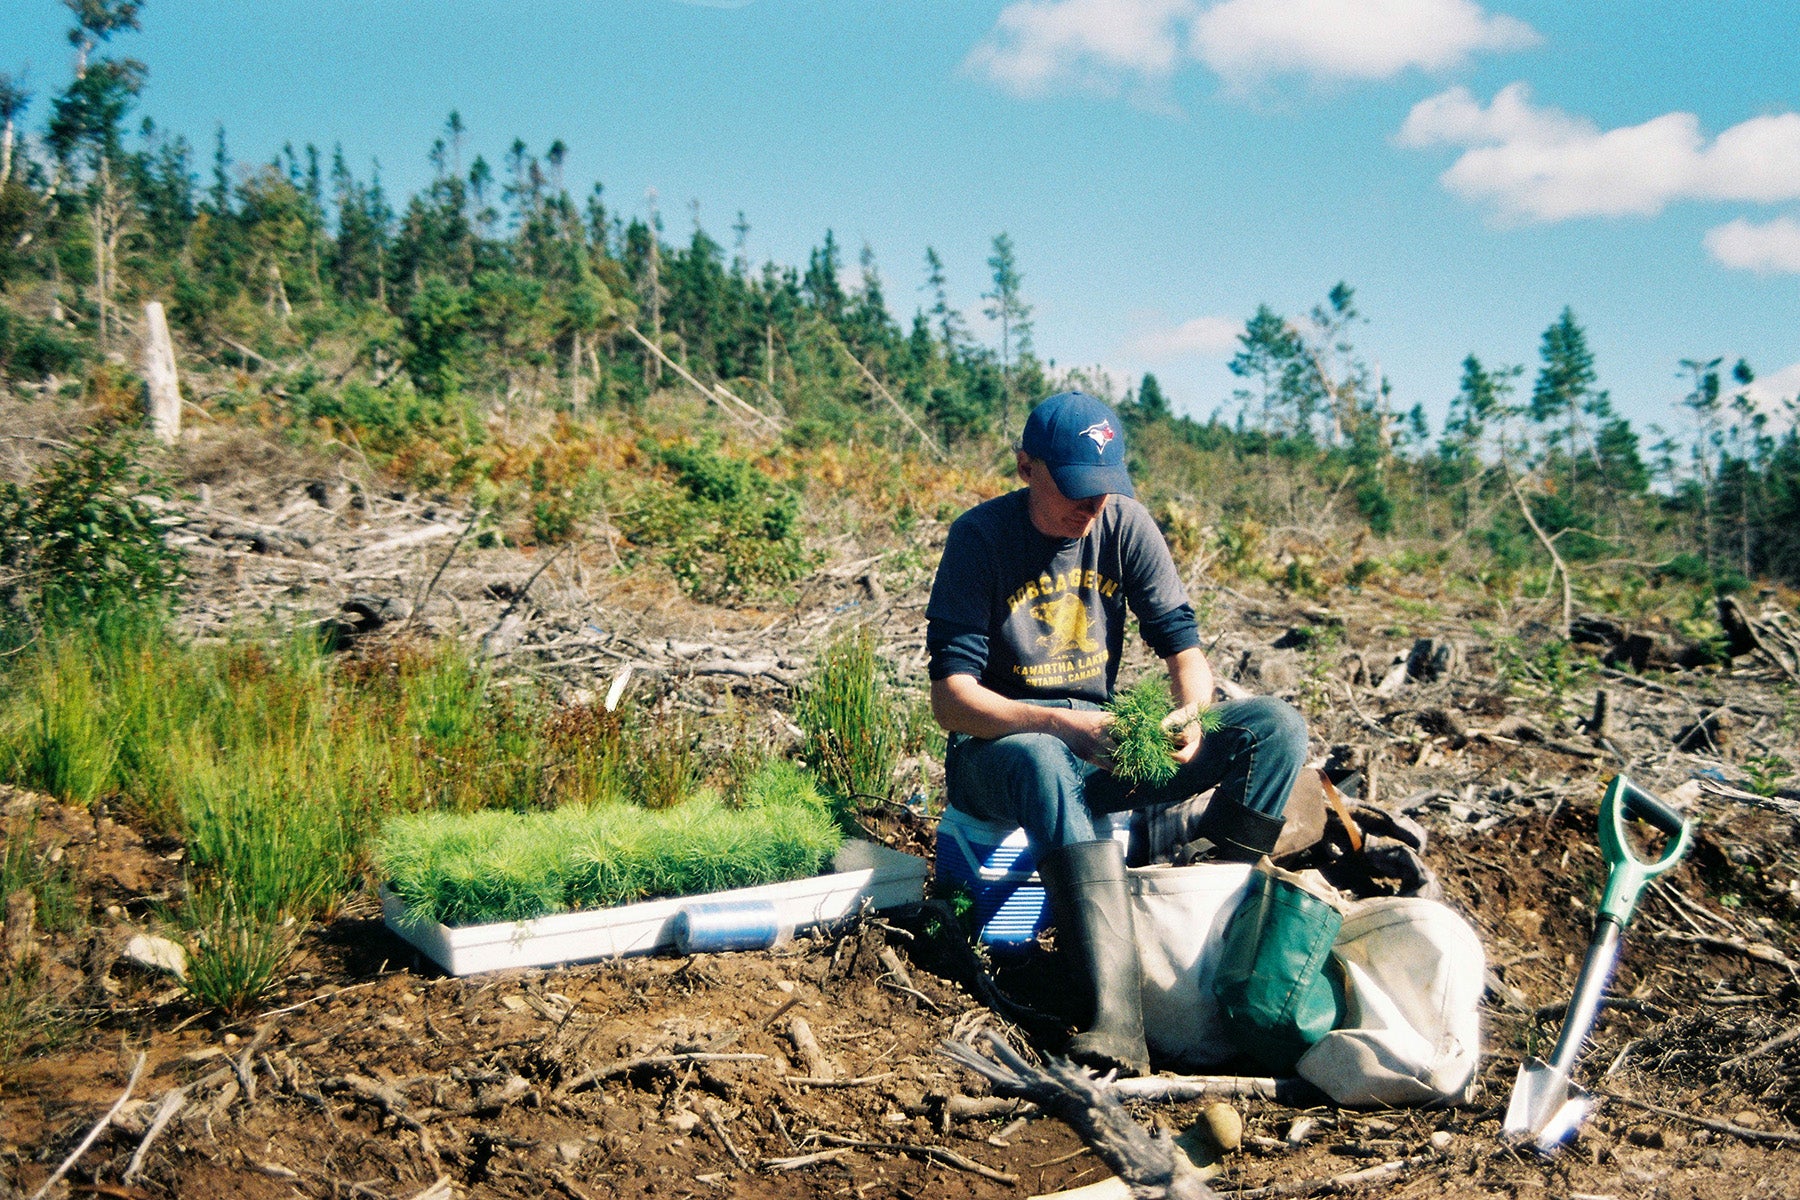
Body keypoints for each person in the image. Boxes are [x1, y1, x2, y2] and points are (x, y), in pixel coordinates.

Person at [925, 390, 1308, 1076]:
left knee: (1272, 728)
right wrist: (1056, 722)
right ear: (1025, 467)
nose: (1092, 506)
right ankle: (1117, 1018)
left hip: (1098, 746)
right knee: (1043, 759)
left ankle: (1212, 946)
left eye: (1105, 489)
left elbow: (1186, 656)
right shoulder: (980, 538)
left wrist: (1189, 713)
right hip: (1002, 751)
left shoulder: (1125, 525)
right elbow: (952, 701)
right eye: (1075, 488)